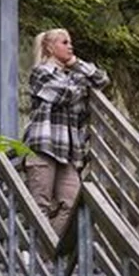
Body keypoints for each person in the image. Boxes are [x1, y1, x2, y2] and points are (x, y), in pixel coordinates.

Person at [22, 28, 109, 239]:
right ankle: (37, 257)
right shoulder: (41, 73)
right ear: (50, 47)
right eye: (64, 42)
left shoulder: (71, 74)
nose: (70, 46)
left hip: (69, 151)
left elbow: (102, 80)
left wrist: (76, 65)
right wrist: (81, 80)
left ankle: (46, 254)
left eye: (70, 42)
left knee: (71, 203)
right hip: (44, 146)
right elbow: (64, 95)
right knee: (40, 203)